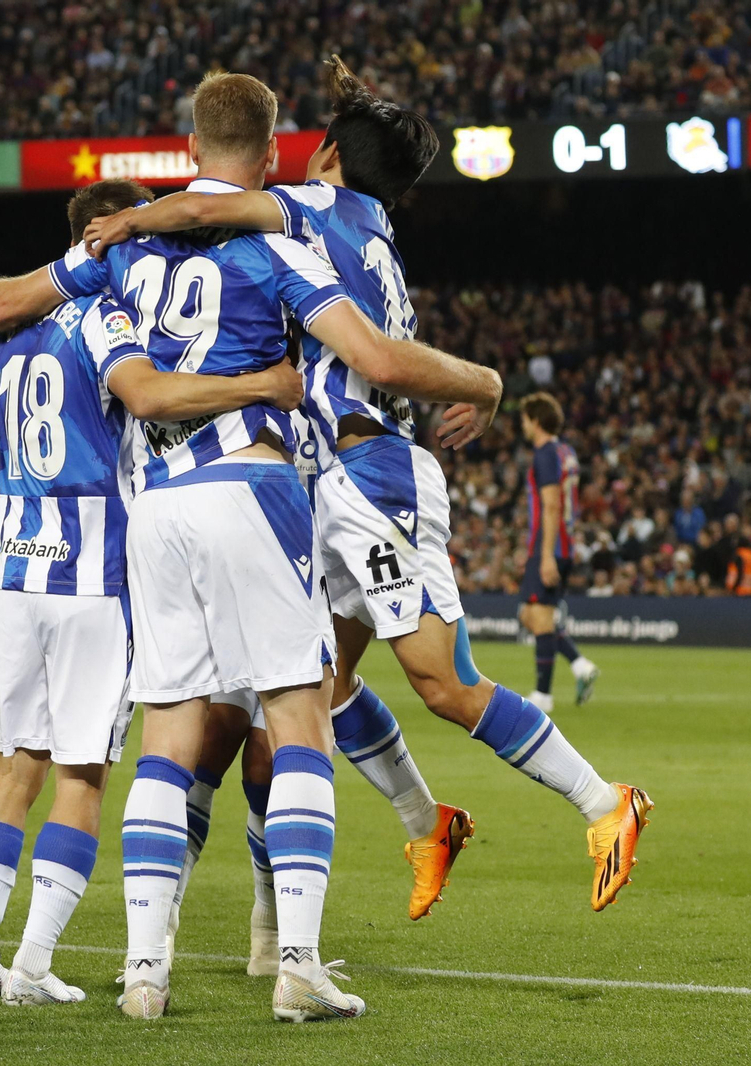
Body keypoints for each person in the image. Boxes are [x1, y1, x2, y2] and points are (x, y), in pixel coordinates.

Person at [0, 71, 501, 1023]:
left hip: (157, 514)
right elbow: (382, 363)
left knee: (170, 740)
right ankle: (298, 965)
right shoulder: (285, 246)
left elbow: (10, 299)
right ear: (270, 159)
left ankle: (146, 972)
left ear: (188, 151)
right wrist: (484, 379)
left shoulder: (120, 256)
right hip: (253, 488)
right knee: (299, 718)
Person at [84, 57, 648, 918]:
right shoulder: (370, 230)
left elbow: (203, 203)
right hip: (332, 479)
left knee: (444, 683)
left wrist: (125, 220)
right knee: (318, 685)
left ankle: (606, 802)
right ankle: (425, 823)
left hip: (369, 478)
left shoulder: (321, 209)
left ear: (328, 157)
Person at [0, 179, 303, 1007]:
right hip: (94, 574)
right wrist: (264, 385)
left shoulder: (11, 338)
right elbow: (150, 397)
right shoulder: (107, 317)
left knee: (14, 762)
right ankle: (29, 967)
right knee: (82, 778)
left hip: (16, 568)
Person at [519, 392, 602, 713]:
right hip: (561, 542)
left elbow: (551, 504)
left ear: (536, 420)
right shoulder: (566, 451)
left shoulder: (545, 454)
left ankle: (543, 695)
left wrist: (548, 555)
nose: (523, 425)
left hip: (549, 545)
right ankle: (580, 665)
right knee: (530, 614)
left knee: (539, 618)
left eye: (525, 419)